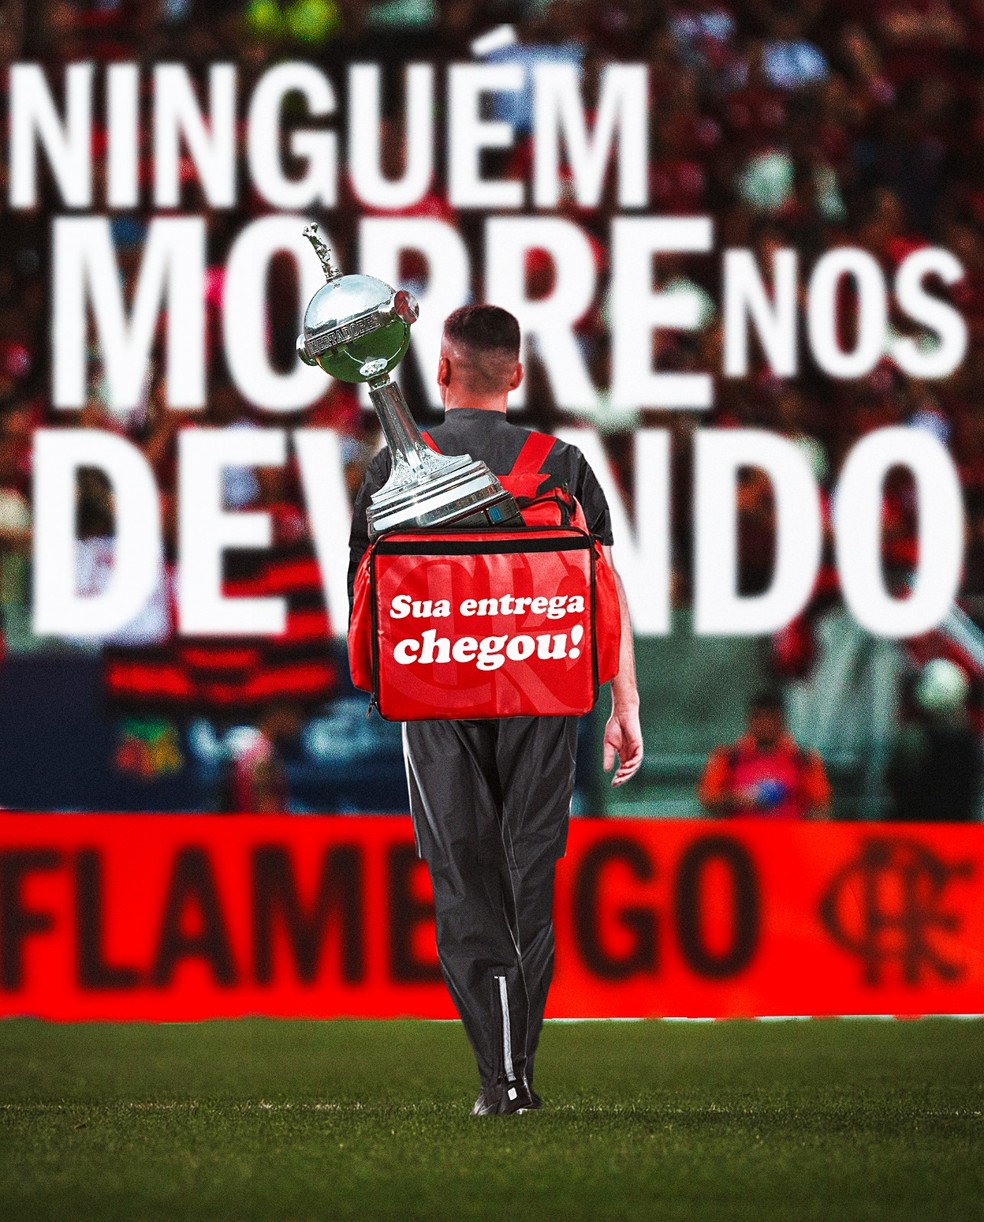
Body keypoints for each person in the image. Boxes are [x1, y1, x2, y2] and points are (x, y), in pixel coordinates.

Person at [348, 305, 643, 1116]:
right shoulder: (564, 464)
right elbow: (603, 593)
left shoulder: (393, 468)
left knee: (464, 879)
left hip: (436, 691)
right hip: (545, 692)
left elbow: (364, 603)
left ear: (441, 372)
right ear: (517, 373)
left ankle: (498, 1078)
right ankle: (518, 1066)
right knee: (527, 874)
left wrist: (389, 687)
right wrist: (624, 703)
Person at [699, 690, 831, 819]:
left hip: (789, 837)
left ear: (782, 721)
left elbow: (821, 806)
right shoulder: (727, 756)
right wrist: (736, 798)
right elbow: (707, 799)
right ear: (749, 721)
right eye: (758, 717)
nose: (765, 723)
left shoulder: (805, 759)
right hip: (741, 837)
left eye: (771, 717)